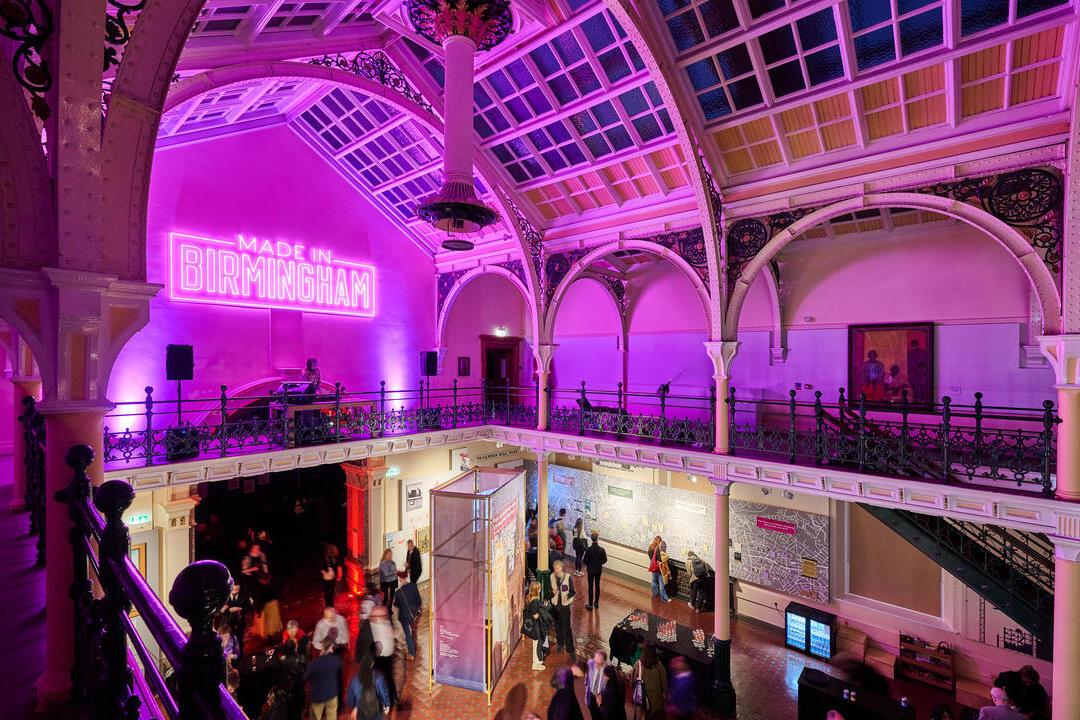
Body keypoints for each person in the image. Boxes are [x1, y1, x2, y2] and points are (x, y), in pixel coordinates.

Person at [273, 621, 308, 720]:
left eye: (294, 630)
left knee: (300, 690)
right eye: (290, 630)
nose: (292, 632)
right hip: (291, 670)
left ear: (297, 629)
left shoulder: (303, 638)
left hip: (299, 669)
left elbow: (307, 655)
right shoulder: (286, 636)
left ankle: (302, 708)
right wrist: (275, 650)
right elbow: (284, 647)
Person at [304, 639, 343, 720]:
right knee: (332, 715)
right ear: (331, 648)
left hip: (317, 696)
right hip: (332, 694)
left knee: (315, 716)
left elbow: (305, 677)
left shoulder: (315, 663)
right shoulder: (337, 659)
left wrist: (308, 656)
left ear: (322, 648)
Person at [369, 605, 398, 708]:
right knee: (379, 680)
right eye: (380, 615)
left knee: (389, 678)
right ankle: (382, 701)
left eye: (384, 615)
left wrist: (393, 634)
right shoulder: (370, 627)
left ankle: (393, 699)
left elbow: (391, 637)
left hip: (387, 656)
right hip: (377, 658)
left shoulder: (386, 623)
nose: (383, 617)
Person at [548, 559, 576, 661]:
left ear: (562, 568)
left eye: (558, 568)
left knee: (567, 629)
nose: (557, 570)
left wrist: (567, 596)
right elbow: (549, 592)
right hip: (555, 607)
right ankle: (560, 644)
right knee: (558, 627)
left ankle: (570, 650)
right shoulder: (551, 577)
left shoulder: (568, 577)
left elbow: (573, 592)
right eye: (555, 568)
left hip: (564, 608)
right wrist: (552, 592)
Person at [632, 644, 666, 720]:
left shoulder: (638, 664)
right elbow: (664, 684)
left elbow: (633, 681)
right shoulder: (660, 666)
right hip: (655, 700)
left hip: (641, 699)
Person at [223, 583, 253, 657]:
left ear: (239, 589)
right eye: (233, 589)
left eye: (236, 589)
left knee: (239, 639)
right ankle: (230, 657)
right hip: (227, 623)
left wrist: (241, 609)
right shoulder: (224, 596)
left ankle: (240, 656)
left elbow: (249, 607)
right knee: (228, 641)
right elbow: (220, 610)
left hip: (239, 622)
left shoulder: (244, 596)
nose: (234, 591)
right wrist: (228, 610)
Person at [393, 576, 420, 659]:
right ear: (407, 577)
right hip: (413, 614)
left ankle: (411, 654)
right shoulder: (413, 586)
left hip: (404, 616)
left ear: (401, 579)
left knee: (408, 634)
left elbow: (396, 604)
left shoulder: (398, 592)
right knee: (413, 631)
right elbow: (418, 600)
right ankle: (413, 649)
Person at [583, 531, 608, 611]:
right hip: (598, 570)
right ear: (597, 539)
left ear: (591, 539)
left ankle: (590, 604)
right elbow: (605, 560)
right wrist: (599, 563)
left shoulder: (588, 550)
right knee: (597, 586)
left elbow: (584, 561)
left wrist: (589, 564)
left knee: (590, 587)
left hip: (590, 570)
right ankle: (596, 603)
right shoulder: (601, 550)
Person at [585, 650, 610, 720]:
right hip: (591, 697)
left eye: (599, 663)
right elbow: (587, 680)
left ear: (604, 662)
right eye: (595, 662)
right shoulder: (590, 665)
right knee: (594, 716)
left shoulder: (609, 672)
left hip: (602, 700)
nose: (596, 665)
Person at [647, 537, 669, 602]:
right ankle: (664, 598)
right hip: (658, 566)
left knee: (653, 580)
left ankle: (655, 593)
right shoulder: (659, 549)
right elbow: (661, 559)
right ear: (660, 541)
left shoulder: (650, 546)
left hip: (652, 564)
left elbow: (649, 554)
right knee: (661, 581)